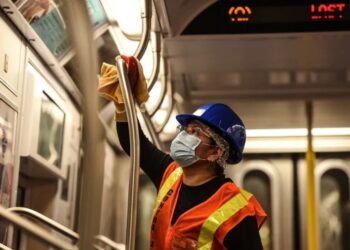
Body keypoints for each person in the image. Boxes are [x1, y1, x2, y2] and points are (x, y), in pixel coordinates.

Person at [99, 56, 267, 249]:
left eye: (195, 132)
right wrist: (123, 104)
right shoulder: (171, 174)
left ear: (215, 152)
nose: (184, 137)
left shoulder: (237, 210)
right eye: (185, 130)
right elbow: (135, 144)